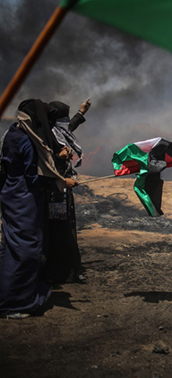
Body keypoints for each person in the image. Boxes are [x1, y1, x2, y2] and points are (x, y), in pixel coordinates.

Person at [0, 100, 77, 318]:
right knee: (26, 248)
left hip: (11, 193)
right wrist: (62, 182)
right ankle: (16, 303)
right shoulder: (26, 140)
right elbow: (33, 176)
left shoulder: (13, 132)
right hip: (24, 198)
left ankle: (8, 294)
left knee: (11, 246)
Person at [44, 98, 90, 283]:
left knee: (66, 227)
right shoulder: (46, 136)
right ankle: (60, 270)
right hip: (53, 189)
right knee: (58, 228)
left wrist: (81, 113)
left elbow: (67, 128)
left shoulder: (57, 131)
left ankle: (70, 268)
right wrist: (58, 157)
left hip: (63, 190)